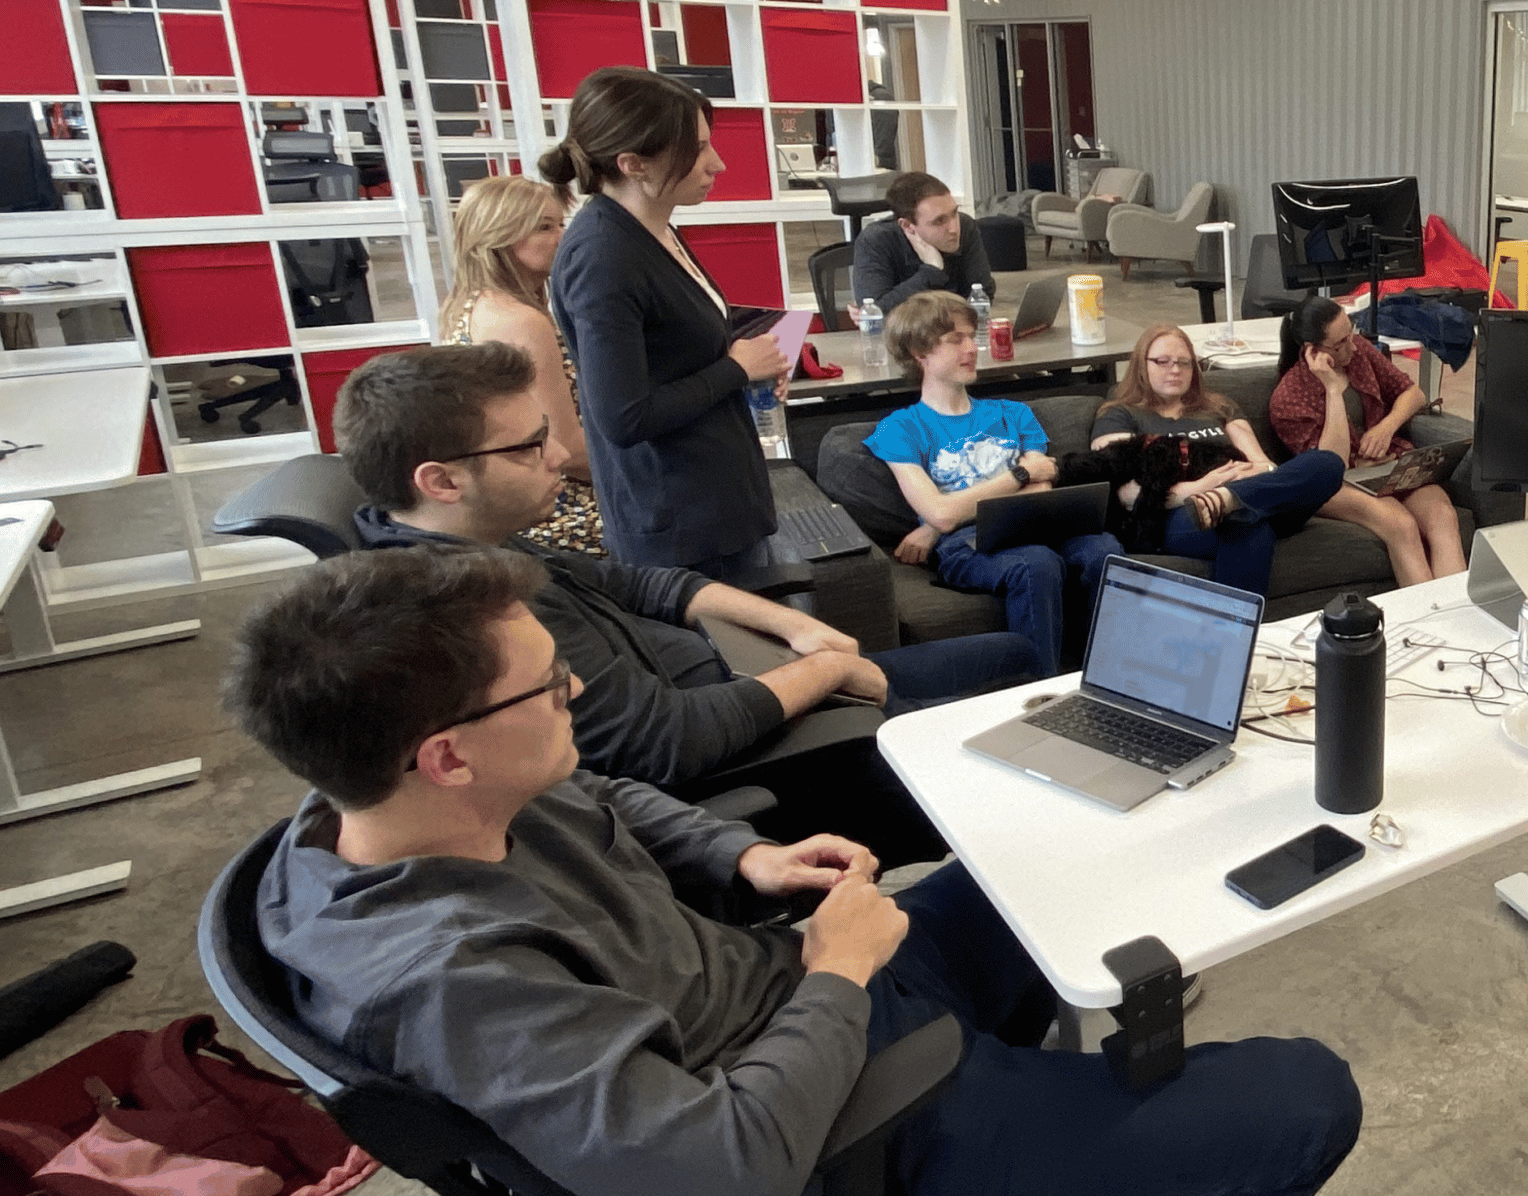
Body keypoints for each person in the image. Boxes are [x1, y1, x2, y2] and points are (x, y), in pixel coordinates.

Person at [231, 546, 1362, 1196]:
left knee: (1050, 856)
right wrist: (837, 973)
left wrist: (744, 854)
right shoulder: (450, 979)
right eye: (545, 686)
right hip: (829, 1119)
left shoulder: (386, 805)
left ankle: (1039, 1101)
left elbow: (610, 799)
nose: (575, 688)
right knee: (1307, 1096)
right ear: (448, 751)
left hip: (796, 983)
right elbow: (724, 1175)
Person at [335, 343, 1034, 855]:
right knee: (1028, 761)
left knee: (1015, 654)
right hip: (767, 753)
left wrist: (794, 627)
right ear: (441, 481)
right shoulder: (481, 611)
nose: (556, 459)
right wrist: (826, 671)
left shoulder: (476, 539)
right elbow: (667, 742)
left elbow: (645, 582)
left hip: (755, 684)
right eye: (526, 448)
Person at [544, 66, 788, 574]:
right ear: (632, 163)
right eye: (697, 150)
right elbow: (623, 417)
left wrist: (755, 358)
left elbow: (679, 331)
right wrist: (737, 369)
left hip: (715, 502)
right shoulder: (605, 255)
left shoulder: (651, 227)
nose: (717, 164)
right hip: (681, 525)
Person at [868, 291, 1118, 674]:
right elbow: (941, 512)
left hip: (1037, 524)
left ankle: (1113, 676)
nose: (972, 348)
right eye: (955, 340)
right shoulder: (901, 428)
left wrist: (954, 515)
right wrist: (1018, 475)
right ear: (920, 353)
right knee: (1036, 564)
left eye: (972, 336)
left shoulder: (1013, 413)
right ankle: (1040, 692)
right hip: (965, 546)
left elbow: (1042, 485)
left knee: (1103, 549)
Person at [1090, 322, 1342, 600]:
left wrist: (1238, 487)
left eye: (1184, 363)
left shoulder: (1218, 407)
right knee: (1246, 522)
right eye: (1162, 361)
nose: (1175, 370)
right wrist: (1202, 488)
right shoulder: (1119, 414)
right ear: (1141, 364)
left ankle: (1229, 500)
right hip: (1173, 516)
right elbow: (1126, 494)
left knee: (1328, 463)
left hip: (1249, 496)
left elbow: (1263, 465)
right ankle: (1237, 634)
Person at [438, 174, 604, 556]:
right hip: (561, 513)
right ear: (498, 237)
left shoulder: (468, 303)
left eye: (561, 223)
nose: (563, 236)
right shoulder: (520, 321)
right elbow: (570, 452)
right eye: (545, 227)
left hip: (518, 498)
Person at [1268, 296, 1465, 587]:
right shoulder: (1288, 399)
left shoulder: (1359, 351)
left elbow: (1414, 394)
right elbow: (1326, 467)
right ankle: (1426, 619)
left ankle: (1456, 614)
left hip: (1386, 466)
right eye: (1341, 343)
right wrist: (1333, 390)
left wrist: (1387, 426)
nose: (1353, 345)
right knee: (1401, 525)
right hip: (1334, 485)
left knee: (1442, 514)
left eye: (1352, 333)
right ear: (1312, 350)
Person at [852, 171, 994, 315]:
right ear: (907, 226)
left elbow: (982, 297)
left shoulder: (966, 227)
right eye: (939, 221)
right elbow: (874, 312)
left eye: (954, 213)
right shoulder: (876, 240)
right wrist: (931, 272)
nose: (954, 228)